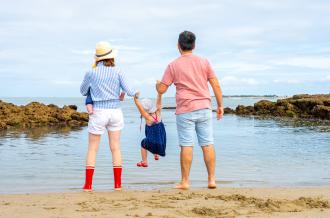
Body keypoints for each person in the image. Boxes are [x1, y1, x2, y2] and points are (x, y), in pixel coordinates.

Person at [156, 31, 224, 190]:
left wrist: (157, 86)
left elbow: (162, 89)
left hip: (185, 110)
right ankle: (211, 180)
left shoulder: (173, 65)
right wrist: (220, 105)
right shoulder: (204, 62)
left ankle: (185, 182)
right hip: (204, 107)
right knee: (207, 144)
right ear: (194, 45)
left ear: (178, 46)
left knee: (187, 145)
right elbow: (216, 85)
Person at [80, 41, 138, 191]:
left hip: (98, 112)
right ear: (111, 57)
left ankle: (88, 185)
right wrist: (136, 93)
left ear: (97, 58)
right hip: (115, 112)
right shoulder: (118, 71)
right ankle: (118, 185)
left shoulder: (91, 72)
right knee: (116, 148)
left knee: (92, 149)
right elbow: (131, 91)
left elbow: (83, 90)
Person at [133, 93, 166, 167]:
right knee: (155, 139)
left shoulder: (148, 117)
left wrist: (135, 98)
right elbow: (159, 102)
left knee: (143, 143)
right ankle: (156, 155)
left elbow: (139, 107)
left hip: (153, 142)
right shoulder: (158, 113)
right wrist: (159, 93)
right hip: (161, 142)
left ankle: (144, 161)